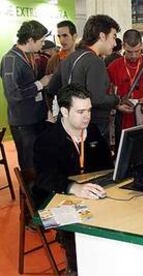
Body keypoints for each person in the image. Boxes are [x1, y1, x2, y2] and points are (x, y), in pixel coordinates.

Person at [32, 83, 113, 273]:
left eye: (89, 110)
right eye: (80, 111)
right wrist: (73, 187)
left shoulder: (91, 131)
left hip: (89, 192)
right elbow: (44, 178)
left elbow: (106, 166)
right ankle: (76, 269)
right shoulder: (47, 139)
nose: (87, 116)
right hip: (53, 198)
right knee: (74, 231)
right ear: (64, 111)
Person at [48, 15, 130, 141]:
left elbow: (51, 88)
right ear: (102, 36)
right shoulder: (95, 61)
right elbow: (97, 99)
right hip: (93, 126)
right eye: (113, 36)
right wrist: (117, 100)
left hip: (68, 124)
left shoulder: (69, 58)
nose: (114, 43)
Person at [0, 20, 51, 171]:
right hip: (24, 123)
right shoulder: (11, 60)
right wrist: (40, 84)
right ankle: (31, 194)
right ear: (30, 40)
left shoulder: (27, 56)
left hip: (36, 118)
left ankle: (43, 192)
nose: (43, 44)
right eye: (41, 41)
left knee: (40, 160)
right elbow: (13, 94)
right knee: (29, 165)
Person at [107, 29, 143, 136]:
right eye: (129, 52)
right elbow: (107, 95)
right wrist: (117, 105)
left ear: (142, 45)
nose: (133, 56)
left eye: (137, 51)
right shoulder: (113, 67)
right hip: (123, 120)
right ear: (123, 46)